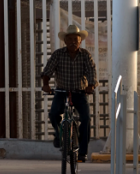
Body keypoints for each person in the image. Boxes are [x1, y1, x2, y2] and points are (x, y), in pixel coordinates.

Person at [41, 24, 98, 162]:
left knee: (85, 119)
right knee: (54, 114)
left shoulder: (85, 55)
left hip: (80, 92)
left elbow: (91, 72)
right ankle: (59, 132)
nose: (73, 41)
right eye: (70, 39)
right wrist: (46, 84)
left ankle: (83, 153)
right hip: (61, 91)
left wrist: (90, 85)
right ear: (65, 41)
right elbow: (47, 71)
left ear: (80, 41)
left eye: (76, 39)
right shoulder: (58, 54)